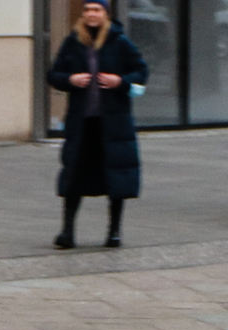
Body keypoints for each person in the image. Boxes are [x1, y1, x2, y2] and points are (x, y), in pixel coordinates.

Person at [45, 0, 147, 249]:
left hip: (113, 123)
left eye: (97, 10)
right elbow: (53, 75)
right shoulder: (73, 41)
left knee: (116, 176)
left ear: (105, 14)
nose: (91, 14)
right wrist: (70, 78)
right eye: (87, 9)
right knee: (73, 175)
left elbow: (141, 71)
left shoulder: (120, 42)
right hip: (82, 123)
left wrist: (119, 81)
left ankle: (114, 232)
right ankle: (67, 232)